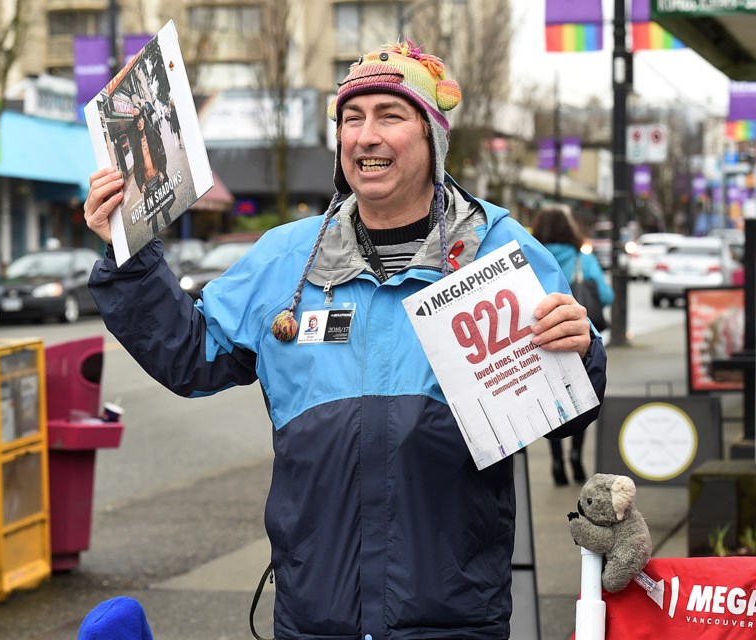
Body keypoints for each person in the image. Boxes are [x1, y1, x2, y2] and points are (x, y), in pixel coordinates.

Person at [84, 40, 607, 640]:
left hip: (453, 616)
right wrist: (130, 257)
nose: (366, 136)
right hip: (315, 613)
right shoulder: (286, 257)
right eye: (351, 119)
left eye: (390, 115)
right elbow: (189, 355)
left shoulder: (497, 250)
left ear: (432, 136)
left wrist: (582, 352)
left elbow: (564, 410)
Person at [532, 205, 614, 486]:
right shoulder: (582, 259)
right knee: (580, 396)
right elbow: (605, 294)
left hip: (539, 342)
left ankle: (556, 461)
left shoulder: (529, 254)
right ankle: (577, 456)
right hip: (577, 342)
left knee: (550, 401)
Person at [129, 104, 171, 234]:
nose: (139, 122)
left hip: (158, 178)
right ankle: (156, 240)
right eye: (137, 121)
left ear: (144, 119)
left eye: (141, 119)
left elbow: (162, 152)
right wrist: (140, 184)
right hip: (147, 184)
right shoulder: (136, 144)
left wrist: (163, 171)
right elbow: (136, 166)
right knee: (153, 217)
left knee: (164, 210)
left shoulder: (152, 133)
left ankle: (171, 238)